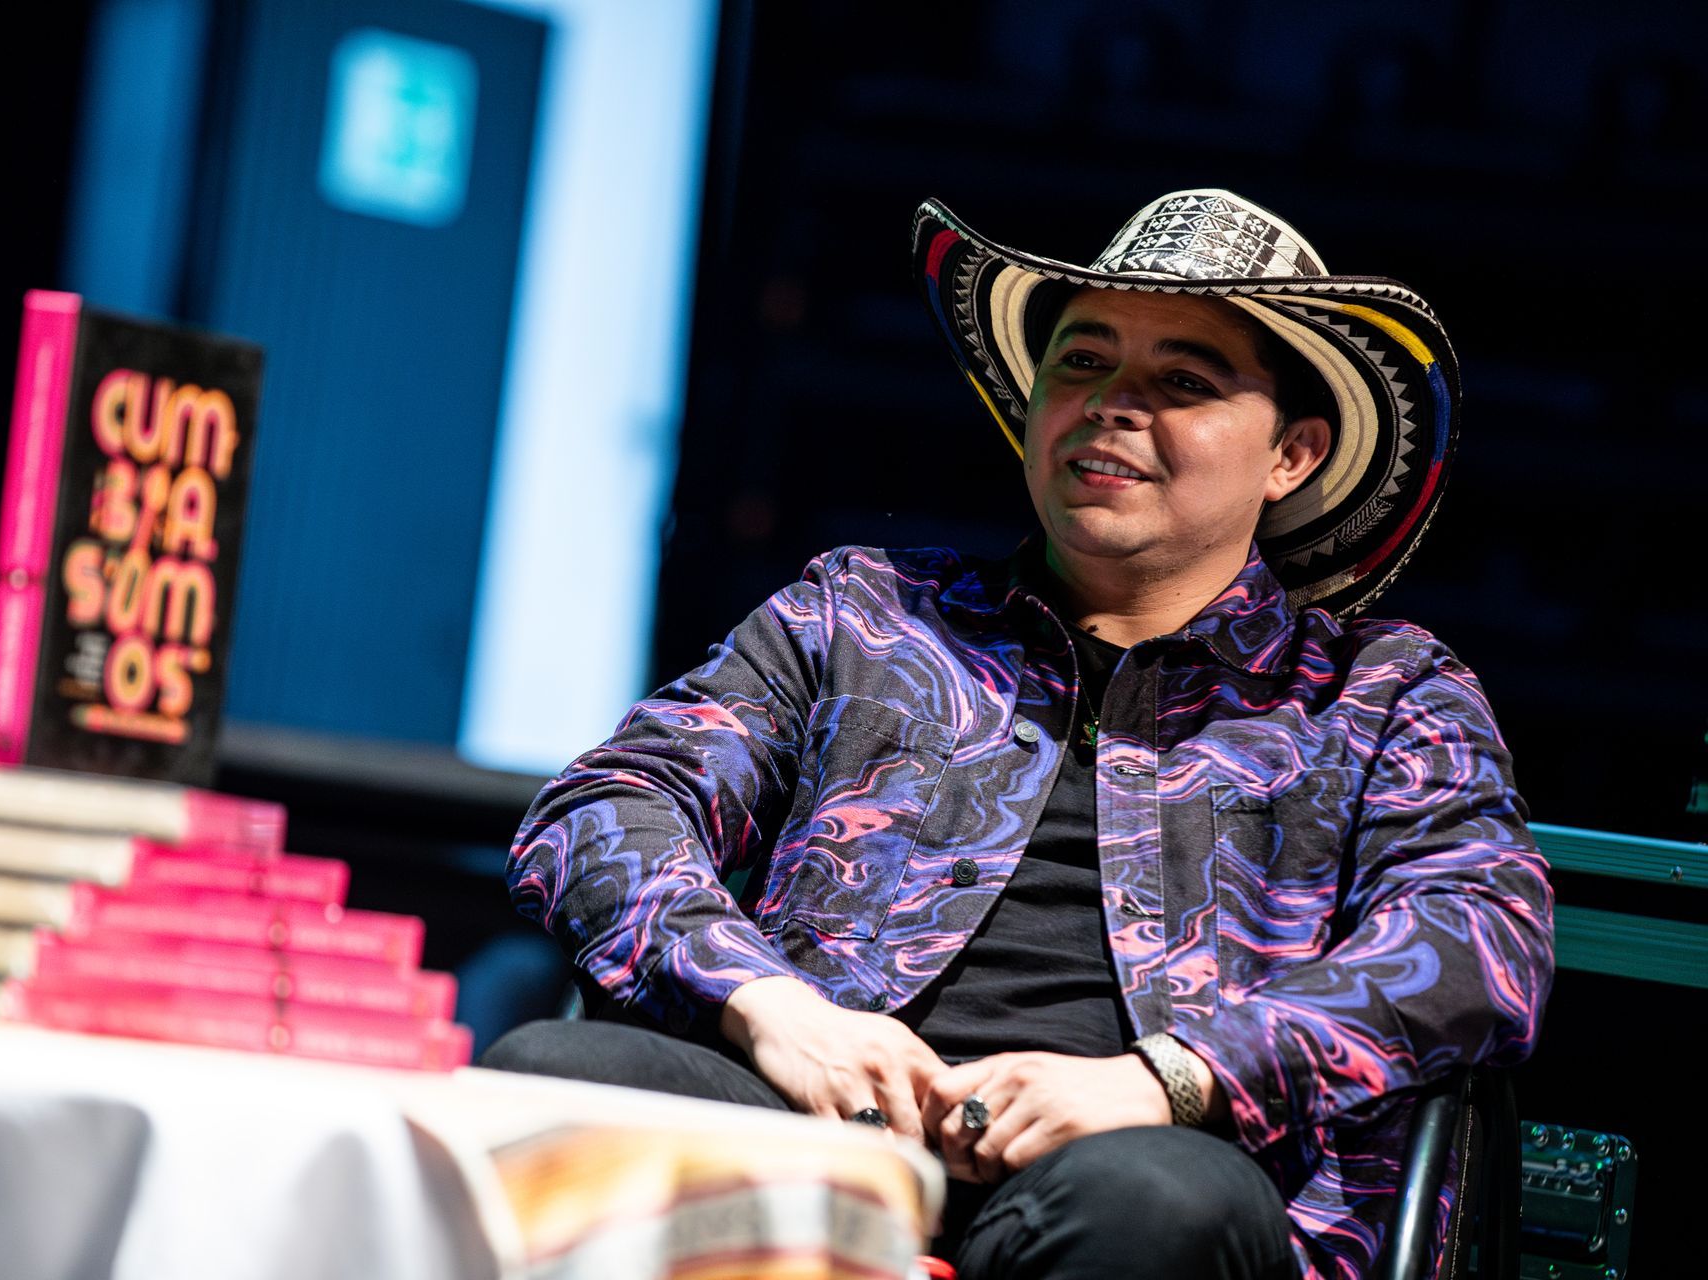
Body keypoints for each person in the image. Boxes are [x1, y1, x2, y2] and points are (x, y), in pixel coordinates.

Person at [485, 189, 1554, 1280]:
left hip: (1153, 1163)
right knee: (553, 1073)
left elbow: (1481, 935)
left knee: (1153, 1200)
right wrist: (773, 1006)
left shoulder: (1381, 693)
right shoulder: (864, 614)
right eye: (1084, 361)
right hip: (819, 1123)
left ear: (1292, 454)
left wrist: (1162, 1079)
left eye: (1182, 381)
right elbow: (604, 806)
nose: (1112, 405)